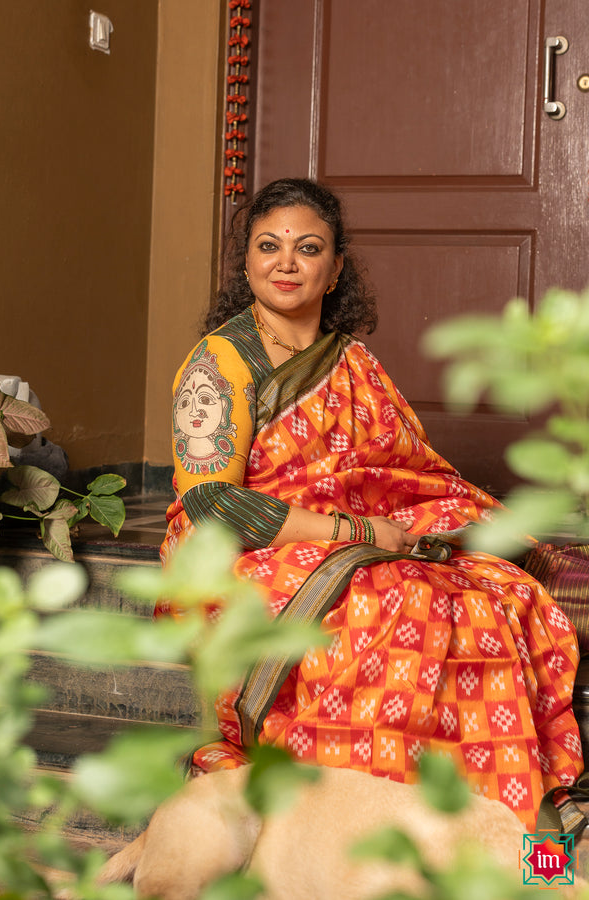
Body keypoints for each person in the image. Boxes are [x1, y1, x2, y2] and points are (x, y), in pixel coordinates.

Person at [159, 178, 583, 831]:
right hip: (248, 549)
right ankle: (355, 827)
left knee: (495, 594)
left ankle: (498, 833)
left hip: (362, 539)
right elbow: (214, 503)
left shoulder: (351, 361)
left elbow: (401, 470)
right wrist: (354, 529)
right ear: (245, 264)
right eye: (268, 246)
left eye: (308, 248)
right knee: (404, 607)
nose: (287, 262)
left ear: (334, 271)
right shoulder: (220, 363)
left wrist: (400, 530)